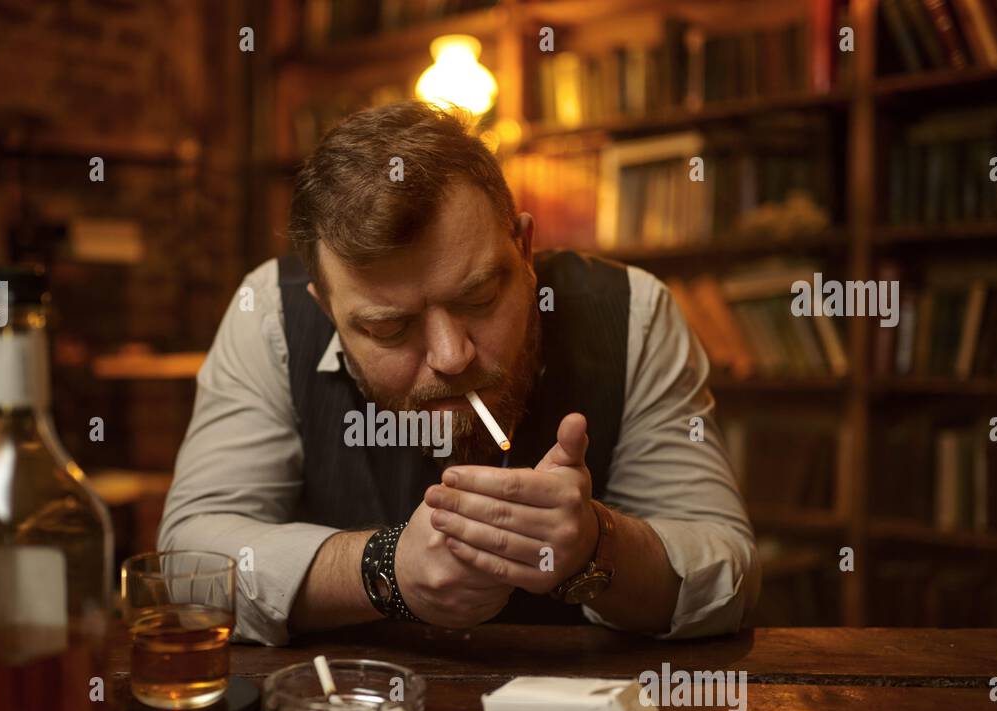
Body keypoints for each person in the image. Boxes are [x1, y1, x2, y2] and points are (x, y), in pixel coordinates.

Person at [159, 101, 760, 645]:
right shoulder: (270, 313)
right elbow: (189, 563)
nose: (452, 357)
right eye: (390, 329)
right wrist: (385, 570)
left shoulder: (633, 310)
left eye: (478, 298)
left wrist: (595, 545)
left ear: (523, 250)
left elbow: (729, 573)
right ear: (327, 310)